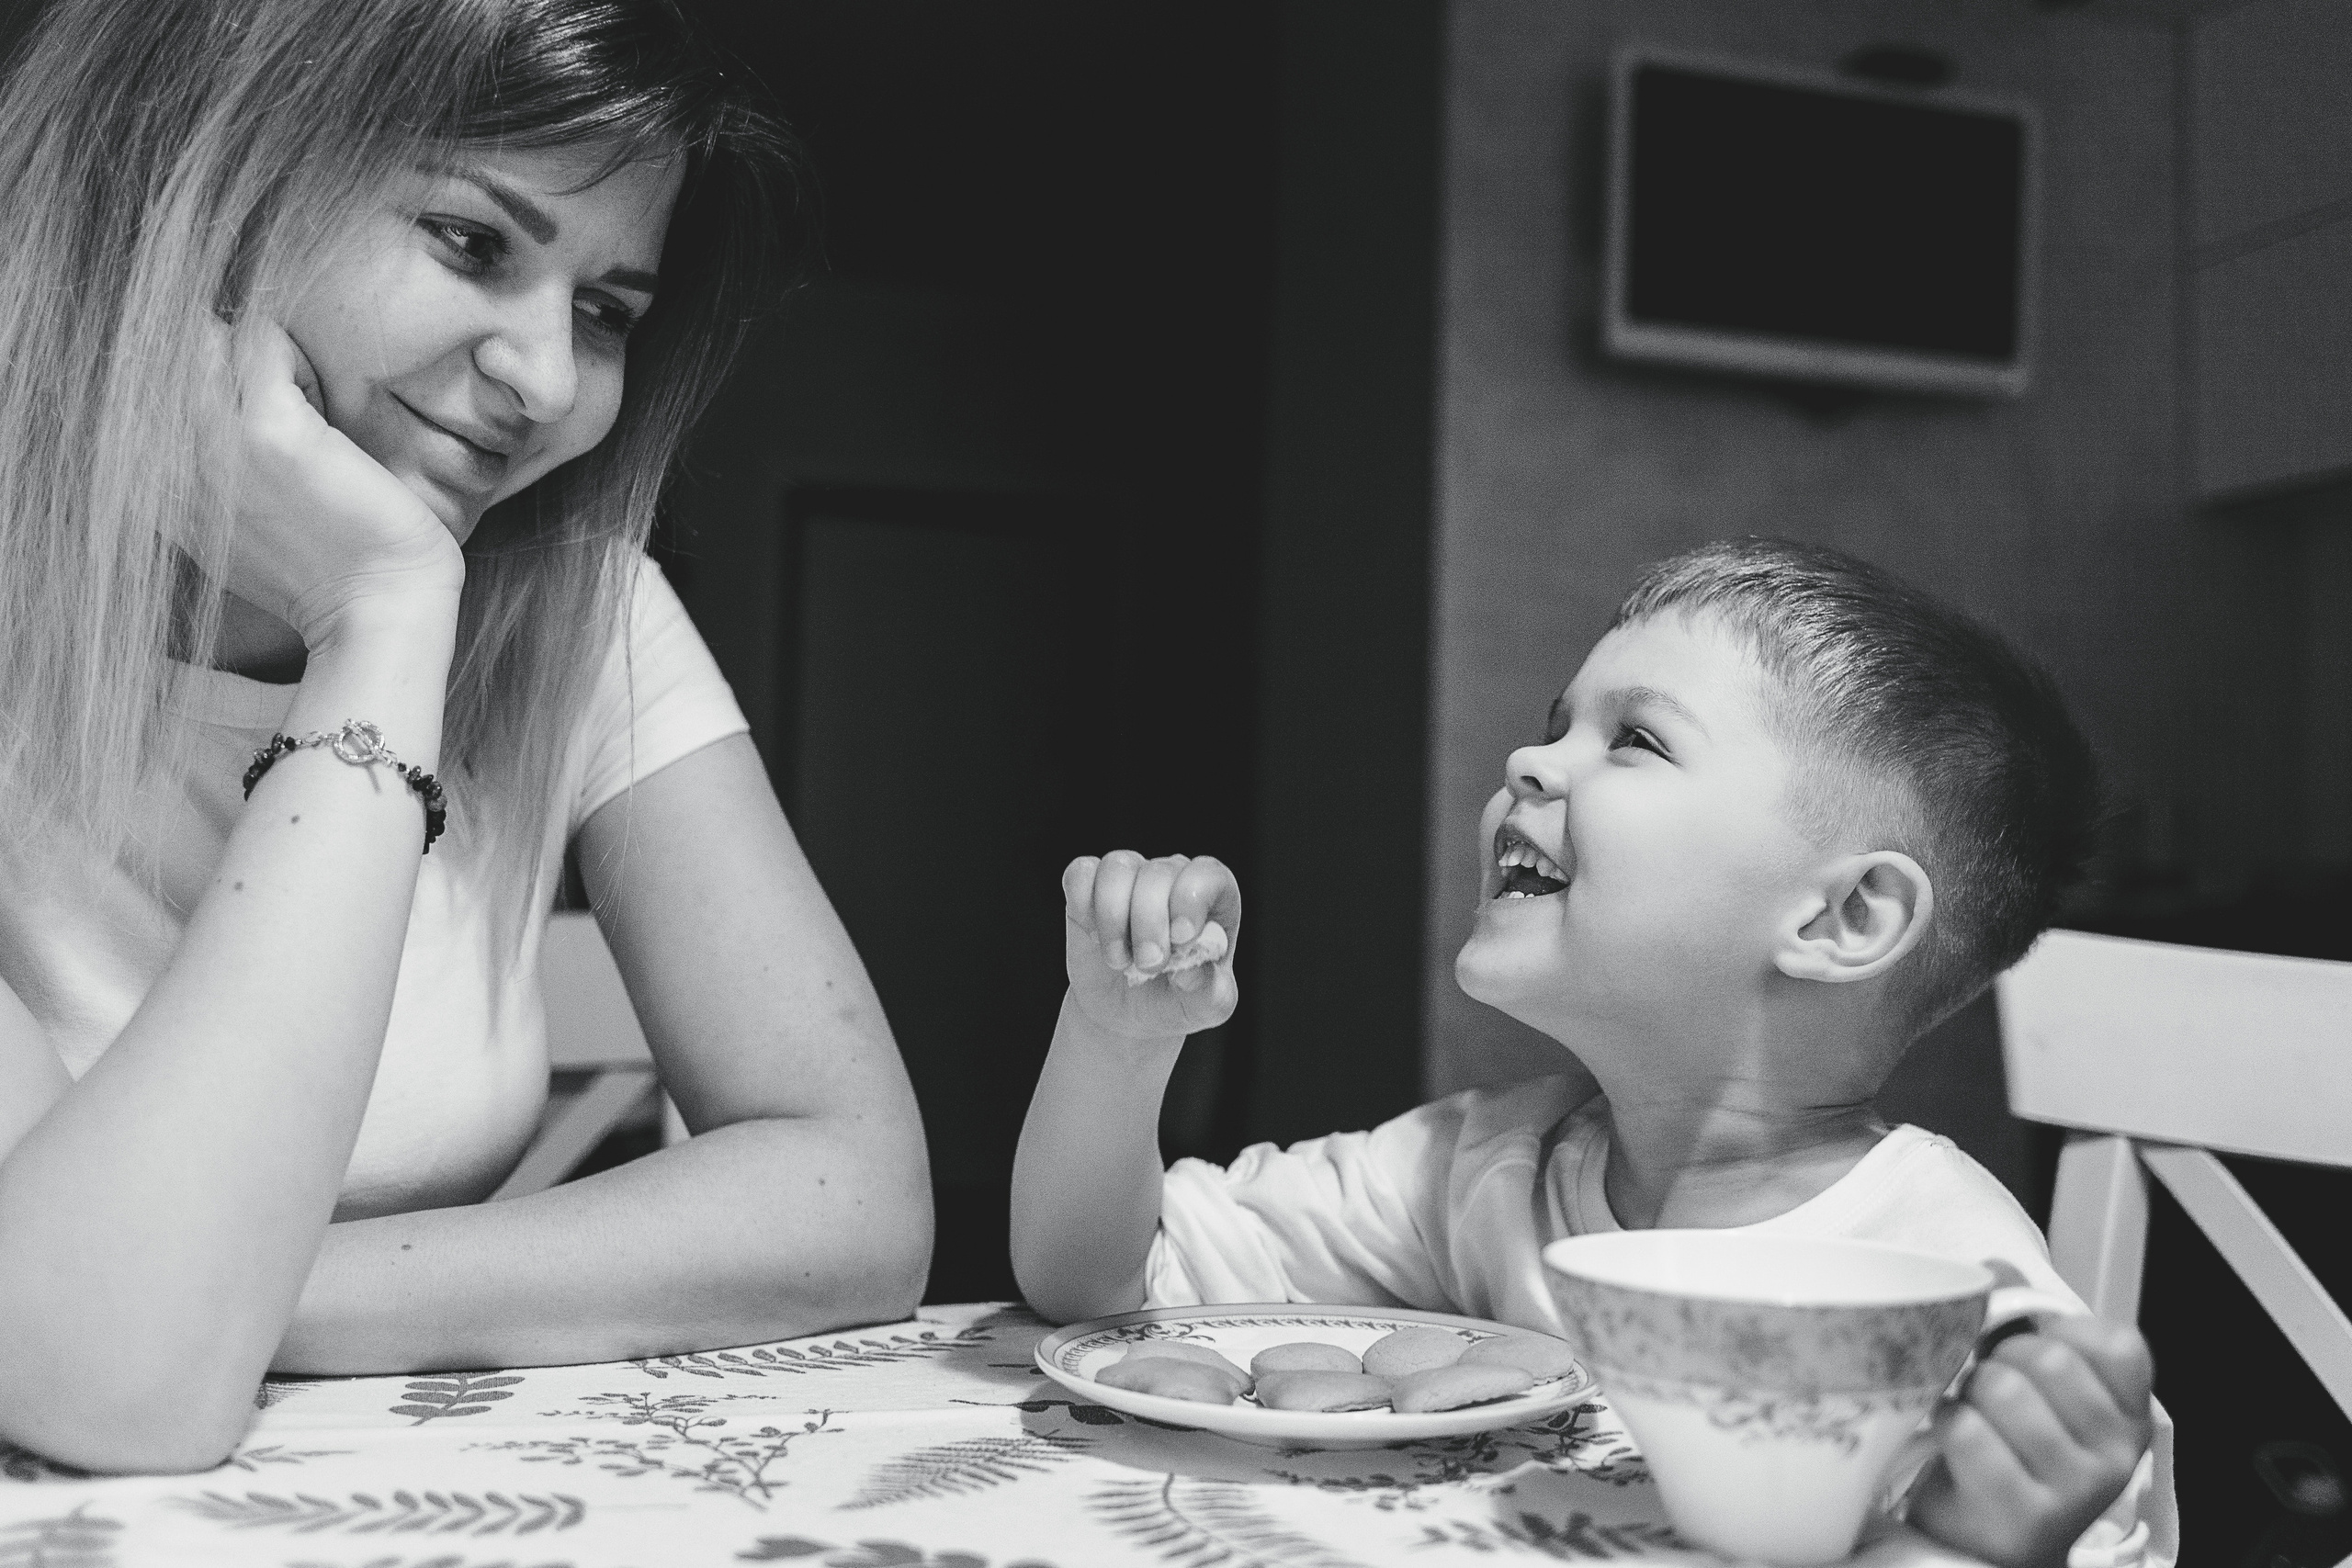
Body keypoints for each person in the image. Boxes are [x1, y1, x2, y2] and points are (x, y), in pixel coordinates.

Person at [0, 0, 932, 1474]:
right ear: (206, 176)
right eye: (472, 241)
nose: (549, 383)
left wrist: (225, 1288)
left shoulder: (576, 614)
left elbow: (854, 1195)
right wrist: (377, 614)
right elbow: (109, 1381)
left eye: (608, 309)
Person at [1012, 538, 2176, 1568]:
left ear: (1843, 920)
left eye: (1636, 740)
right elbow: (1099, 1284)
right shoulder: (1484, 1172)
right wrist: (1118, 1036)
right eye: (1555, 719)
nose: (1528, 761)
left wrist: (1967, 1544)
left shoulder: (1948, 1293)